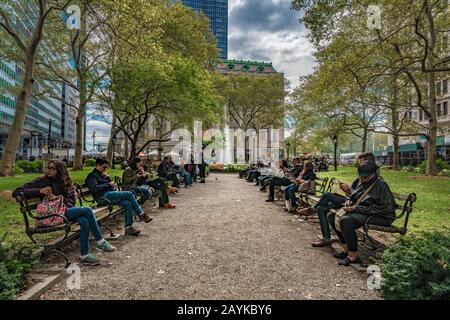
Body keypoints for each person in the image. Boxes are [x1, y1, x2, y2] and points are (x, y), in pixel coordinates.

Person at [13, 160, 116, 266]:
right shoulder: (42, 181)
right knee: (87, 210)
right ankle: (100, 241)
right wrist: (39, 191)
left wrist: (60, 199)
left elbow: (72, 200)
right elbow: (18, 191)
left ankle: (84, 255)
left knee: (84, 220)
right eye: (48, 168)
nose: (49, 170)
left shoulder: (65, 181)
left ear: (60, 170)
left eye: (52, 168)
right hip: (54, 214)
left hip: (66, 210)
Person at [299, 152, 379, 248]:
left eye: (361, 162)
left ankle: (312, 209)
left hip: (356, 206)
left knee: (327, 195)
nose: (359, 165)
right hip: (349, 203)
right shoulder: (361, 177)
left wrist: (349, 193)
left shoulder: (374, 179)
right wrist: (347, 191)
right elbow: (353, 194)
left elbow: (366, 200)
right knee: (321, 208)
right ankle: (326, 238)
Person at [330, 161, 396, 266]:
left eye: (365, 177)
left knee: (346, 221)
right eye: (360, 176)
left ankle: (353, 256)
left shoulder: (381, 185)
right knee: (332, 216)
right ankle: (346, 249)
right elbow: (352, 195)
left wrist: (357, 208)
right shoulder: (362, 181)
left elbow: (384, 208)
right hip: (364, 211)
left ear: (373, 174)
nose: (362, 179)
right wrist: (348, 200)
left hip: (381, 215)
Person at [85, 158, 152, 237]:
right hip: (102, 197)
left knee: (127, 203)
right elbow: (94, 188)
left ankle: (128, 227)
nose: (105, 169)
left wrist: (107, 178)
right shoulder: (92, 176)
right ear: (97, 165)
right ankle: (141, 214)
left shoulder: (101, 175)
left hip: (109, 195)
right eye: (104, 167)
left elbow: (108, 185)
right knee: (129, 194)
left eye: (106, 168)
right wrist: (108, 184)